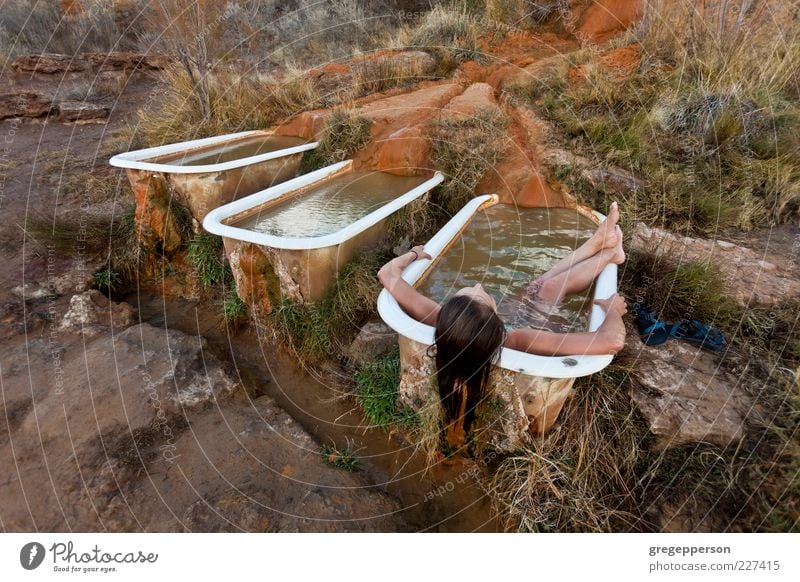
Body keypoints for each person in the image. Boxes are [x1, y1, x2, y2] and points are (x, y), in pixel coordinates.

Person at [378, 202, 628, 447]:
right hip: (543, 324)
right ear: (497, 322)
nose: (479, 285)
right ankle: (606, 252)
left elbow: (387, 274)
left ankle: (601, 246)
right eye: (482, 295)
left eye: (472, 290)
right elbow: (612, 340)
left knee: (537, 286)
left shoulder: (440, 318)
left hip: (494, 326)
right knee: (551, 287)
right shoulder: (520, 339)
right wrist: (613, 310)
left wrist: (413, 254)